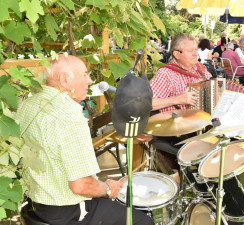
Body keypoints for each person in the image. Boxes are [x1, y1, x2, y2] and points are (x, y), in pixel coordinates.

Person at [15, 55, 154, 225]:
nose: (89, 80)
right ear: (65, 80)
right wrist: (108, 188)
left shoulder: (27, 104)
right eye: (84, 74)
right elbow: (81, 186)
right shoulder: (69, 116)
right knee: (143, 221)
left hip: (35, 205)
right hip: (68, 212)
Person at [150, 33, 212, 180]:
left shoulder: (200, 69)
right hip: (177, 131)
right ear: (177, 54)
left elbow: (216, 90)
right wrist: (177, 99)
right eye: (190, 50)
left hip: (203, 125)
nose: (195, 53)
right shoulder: (166, 73)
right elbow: (149, 103)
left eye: (195, 49)